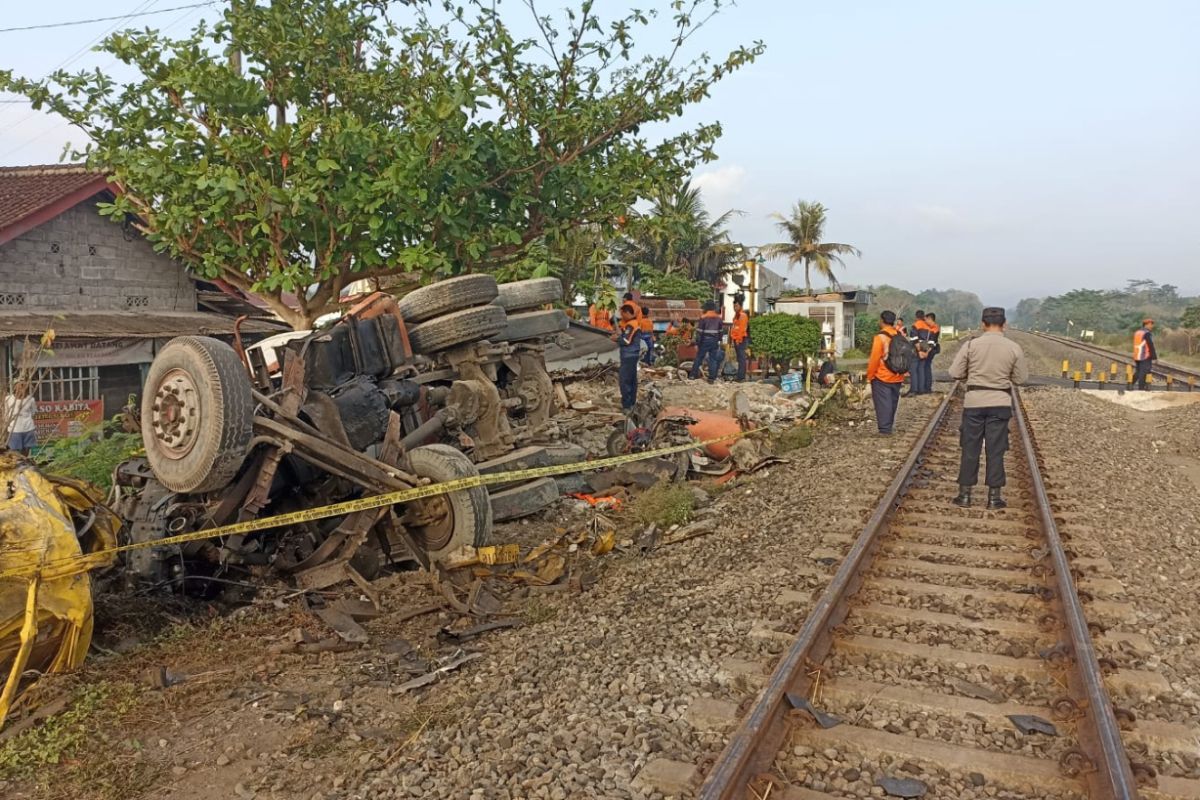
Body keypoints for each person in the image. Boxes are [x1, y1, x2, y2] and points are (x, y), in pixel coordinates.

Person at [948, 307, 1029, 509]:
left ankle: (964, 495)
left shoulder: (970, 345)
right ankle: (994, 498)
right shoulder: (1013, 347)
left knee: (970, 448)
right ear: (1004, 324)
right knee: (996, 450)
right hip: (1000, 403)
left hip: (974, 402)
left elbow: (954, 372)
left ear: (982, 324)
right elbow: (1021, 378)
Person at [866, 311, 908, 434]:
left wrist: (869, 376)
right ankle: (889, 425)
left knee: (883, 402)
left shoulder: (880, 337)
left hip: (882, 376)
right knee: (893, 401)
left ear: (882, 321)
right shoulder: (899, 335)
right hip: (897, 375)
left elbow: (874, 359)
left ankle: (885, 429)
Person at [614, 303, 641, 411]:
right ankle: (632, 403)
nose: (621, 316)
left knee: (625, 381)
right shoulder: (632, 323)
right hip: (633, 355)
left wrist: (615, 339)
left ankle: (627, 405)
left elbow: (626, 341)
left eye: (622, 313)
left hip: (628, 355)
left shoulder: (631, 325)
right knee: (632, 380)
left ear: (627, 312)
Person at [689, 301, 723, 383]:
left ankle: (693, 375)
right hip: (714, 341)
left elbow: (699, 332)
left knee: (699, 357)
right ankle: (712, 378)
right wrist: (718, 340)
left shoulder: (703, 317)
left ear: (706, 308)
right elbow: (720, 332)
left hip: (704, 341)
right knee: (713, 359)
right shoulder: (719, 318)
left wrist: (698, 343)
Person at [4, 382, 37, 456]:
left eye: (23, 388)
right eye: (19, 388)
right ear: (15, 388)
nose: (21, 390)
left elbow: (33, 412)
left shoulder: (31, 399)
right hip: (14, 429)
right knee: (14, 450)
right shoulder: (8, 399)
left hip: (28, 428)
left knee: (27, 449)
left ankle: (24, 464)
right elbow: (6, 414)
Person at [910, 310, 934, 395]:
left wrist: (919, 351)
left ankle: (913, 390)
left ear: (916, 317)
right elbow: (931, 342)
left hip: (916, 351)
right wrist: (926, 352)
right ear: (924, 317)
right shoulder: (928, 327)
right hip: (925, 350)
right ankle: (921, 389)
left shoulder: (915, 325)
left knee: (913, 369)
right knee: (921, 369)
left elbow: (914, 339)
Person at [1132, 318, 1156, 390]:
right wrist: (1154, 357)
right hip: (1145, 356)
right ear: (1146, 324)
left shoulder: (1137, 332)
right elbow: (1150, 345)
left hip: (1137, 356)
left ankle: (1130, 384)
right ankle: (1141, 389)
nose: (1152, 326)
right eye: (1151, 325)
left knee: (1138, 372)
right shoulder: (1146, 333)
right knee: (1144, 373)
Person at [730, 300, 750, 381]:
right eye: (734, 306)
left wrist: (738, 340)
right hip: (736, 339)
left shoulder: (742, 315)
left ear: (740, 306)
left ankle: (741, 377)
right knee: (739, 358)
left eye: (736, 306)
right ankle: (740, 376)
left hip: (740, 339)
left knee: (741, 358)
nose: (735, 308)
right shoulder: (736, 316)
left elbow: (742, 329)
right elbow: (735, 328)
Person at [926, 312, 942, 391]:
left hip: (931, 350)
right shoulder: (932, 327)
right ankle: (927, 386)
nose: (926, 321)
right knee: (927, 367)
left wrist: (927, 352)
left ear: (930, 319)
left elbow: (932, 342)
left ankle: (928, 386)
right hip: (930, 349)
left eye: (926, 319)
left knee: (927, 367)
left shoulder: (935, 328)